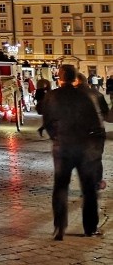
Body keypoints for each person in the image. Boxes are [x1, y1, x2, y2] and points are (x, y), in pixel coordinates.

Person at [42, 64, 102, 239]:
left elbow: (47, 121)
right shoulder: (85, 96)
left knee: (60, 187)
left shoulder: (52, 96)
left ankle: (59, 227)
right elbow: (96, 125)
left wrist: (56, 137)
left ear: (60, 78)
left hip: (62, 147)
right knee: (89, 189)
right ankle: (90, 228)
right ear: (74, 77)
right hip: (84, 148)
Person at [75, 73, 109, 192]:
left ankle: (87, 185)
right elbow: (106, 113)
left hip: (79, 132)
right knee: (96, 158)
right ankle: (97, 183)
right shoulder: (98, 94)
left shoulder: (71, 95)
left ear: (76, 82)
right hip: (98, 130)